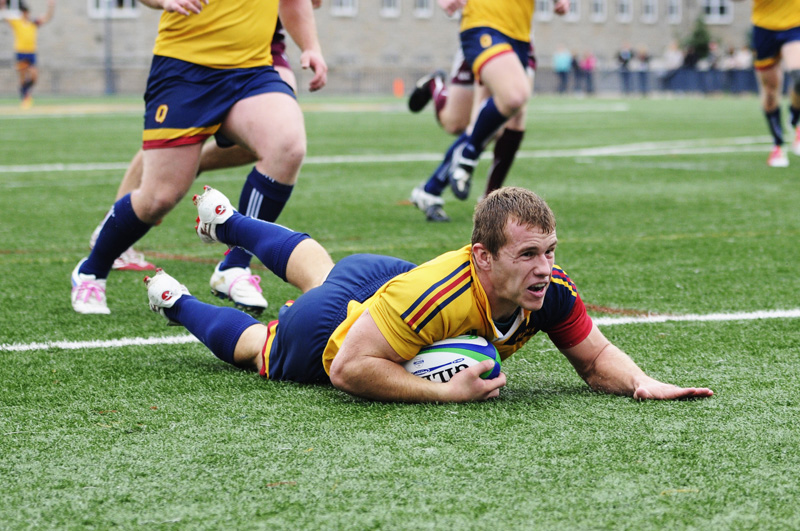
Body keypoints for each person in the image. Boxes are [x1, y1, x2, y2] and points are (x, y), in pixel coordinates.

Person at [144, 185, 715, 404]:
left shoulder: (550, 289)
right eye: (529, 255)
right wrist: (445, 395)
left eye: (550, 251)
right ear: (483, 257)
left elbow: (593, 360)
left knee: (322, 271)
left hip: (389, 282)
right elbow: (346, 369)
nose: (546, 269)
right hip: (333, 332)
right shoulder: (440, 295)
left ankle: (229, 223)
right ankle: (177, 303)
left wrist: (643, 382)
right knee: (257, 345)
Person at [70, 0, 327, 315]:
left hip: (252, 69)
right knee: (158, 198)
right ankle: (91, 270)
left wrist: (311, 46)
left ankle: (234, 266)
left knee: (287, 146)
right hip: (183, 70)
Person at [409, 0, 569, 222]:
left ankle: (488, 204)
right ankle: (436, 87)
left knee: (511, 114)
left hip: (520, 33)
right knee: (457, 122)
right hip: (484, 22)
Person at [734, 0, 800, 167]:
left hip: (795, 23)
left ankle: (795, 117)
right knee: (770, 91)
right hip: (765, 28)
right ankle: (778, 145)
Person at [0, 0, 55, 109]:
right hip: (20, 52)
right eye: (24, 12)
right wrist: (2, 4)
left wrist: (51, 6)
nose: (26, 14)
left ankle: (25, 91)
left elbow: (47, 18)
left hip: (31, 53)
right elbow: (3, 16)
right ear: (22, 12)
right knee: (23, 76)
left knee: (34, 75)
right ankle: (25, 97)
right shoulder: (16, 22)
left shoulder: (33, 23)